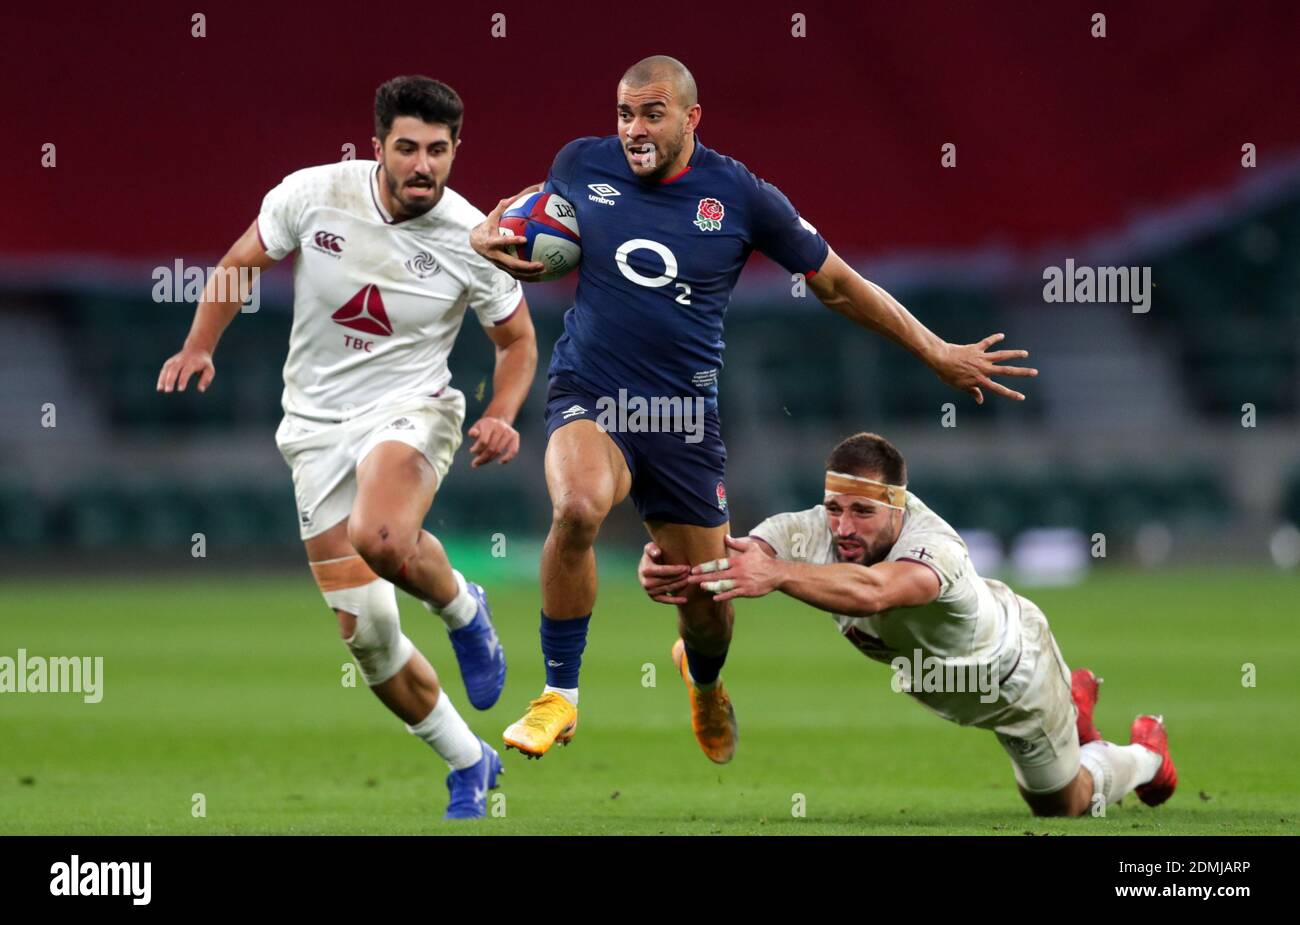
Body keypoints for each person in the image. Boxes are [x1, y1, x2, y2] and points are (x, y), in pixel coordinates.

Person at [471, 54, 1038, 763]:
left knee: (708, 608)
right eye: (623, 114)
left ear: (690, 118)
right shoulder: (582, 163)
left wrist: (934, 350)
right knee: (579, 505)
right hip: (593, 390)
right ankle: (561, 694)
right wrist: (482, 236)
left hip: (683, 421)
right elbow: (536, 206)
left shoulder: (738, 195)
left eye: (652, 114)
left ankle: (702, 680)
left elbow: (835, 282)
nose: (634, 130)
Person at [157, 76, 537, 819]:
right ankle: (469, 758)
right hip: (313, 426)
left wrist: (501, 411)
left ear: (456, 150)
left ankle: (461, 609)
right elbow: (240, 263)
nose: (422, 164)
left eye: (437, 149)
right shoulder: (314, 194)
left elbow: (517, 340)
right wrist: (199, 344)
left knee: (381, 533)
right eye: (407, 148)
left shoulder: (474, 238)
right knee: (366, 634)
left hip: (412, 410)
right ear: (377, 149)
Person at [639, 432, 1177, 816]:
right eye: (834, 508)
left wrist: (777, 574)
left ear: (898, 508)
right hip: (944, 683)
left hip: (1015, 681)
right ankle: (1078, 715)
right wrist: (669, 564)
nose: (842, 527)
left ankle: (1144, 755)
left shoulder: (934, 547)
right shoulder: (810, 530)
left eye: (862, 513)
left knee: (1063, 805)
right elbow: (729, 557)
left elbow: (874, 593)